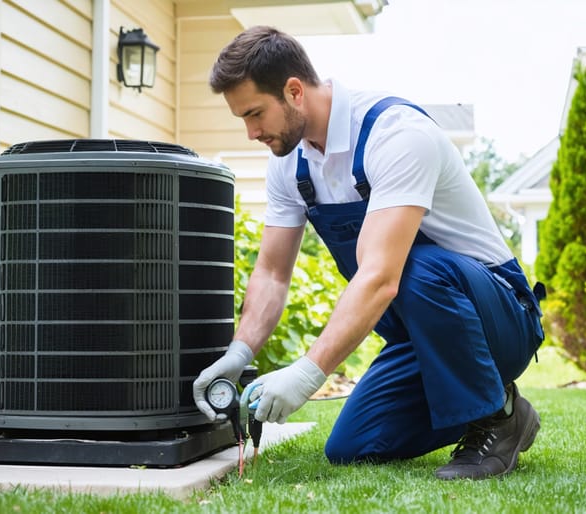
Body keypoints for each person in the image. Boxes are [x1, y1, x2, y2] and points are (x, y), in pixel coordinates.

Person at [192, 25, 545, 480]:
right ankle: (498, 401)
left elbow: (382, 276)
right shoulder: (288, 163)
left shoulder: (396, 135)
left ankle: (496, 417)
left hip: (500, 317)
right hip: (422, 337)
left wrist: (307, 372)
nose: (250, 132)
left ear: (294, 91)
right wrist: (239, 353)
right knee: (352, 445)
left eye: (255, 114)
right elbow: (273, 274)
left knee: (416, 266)